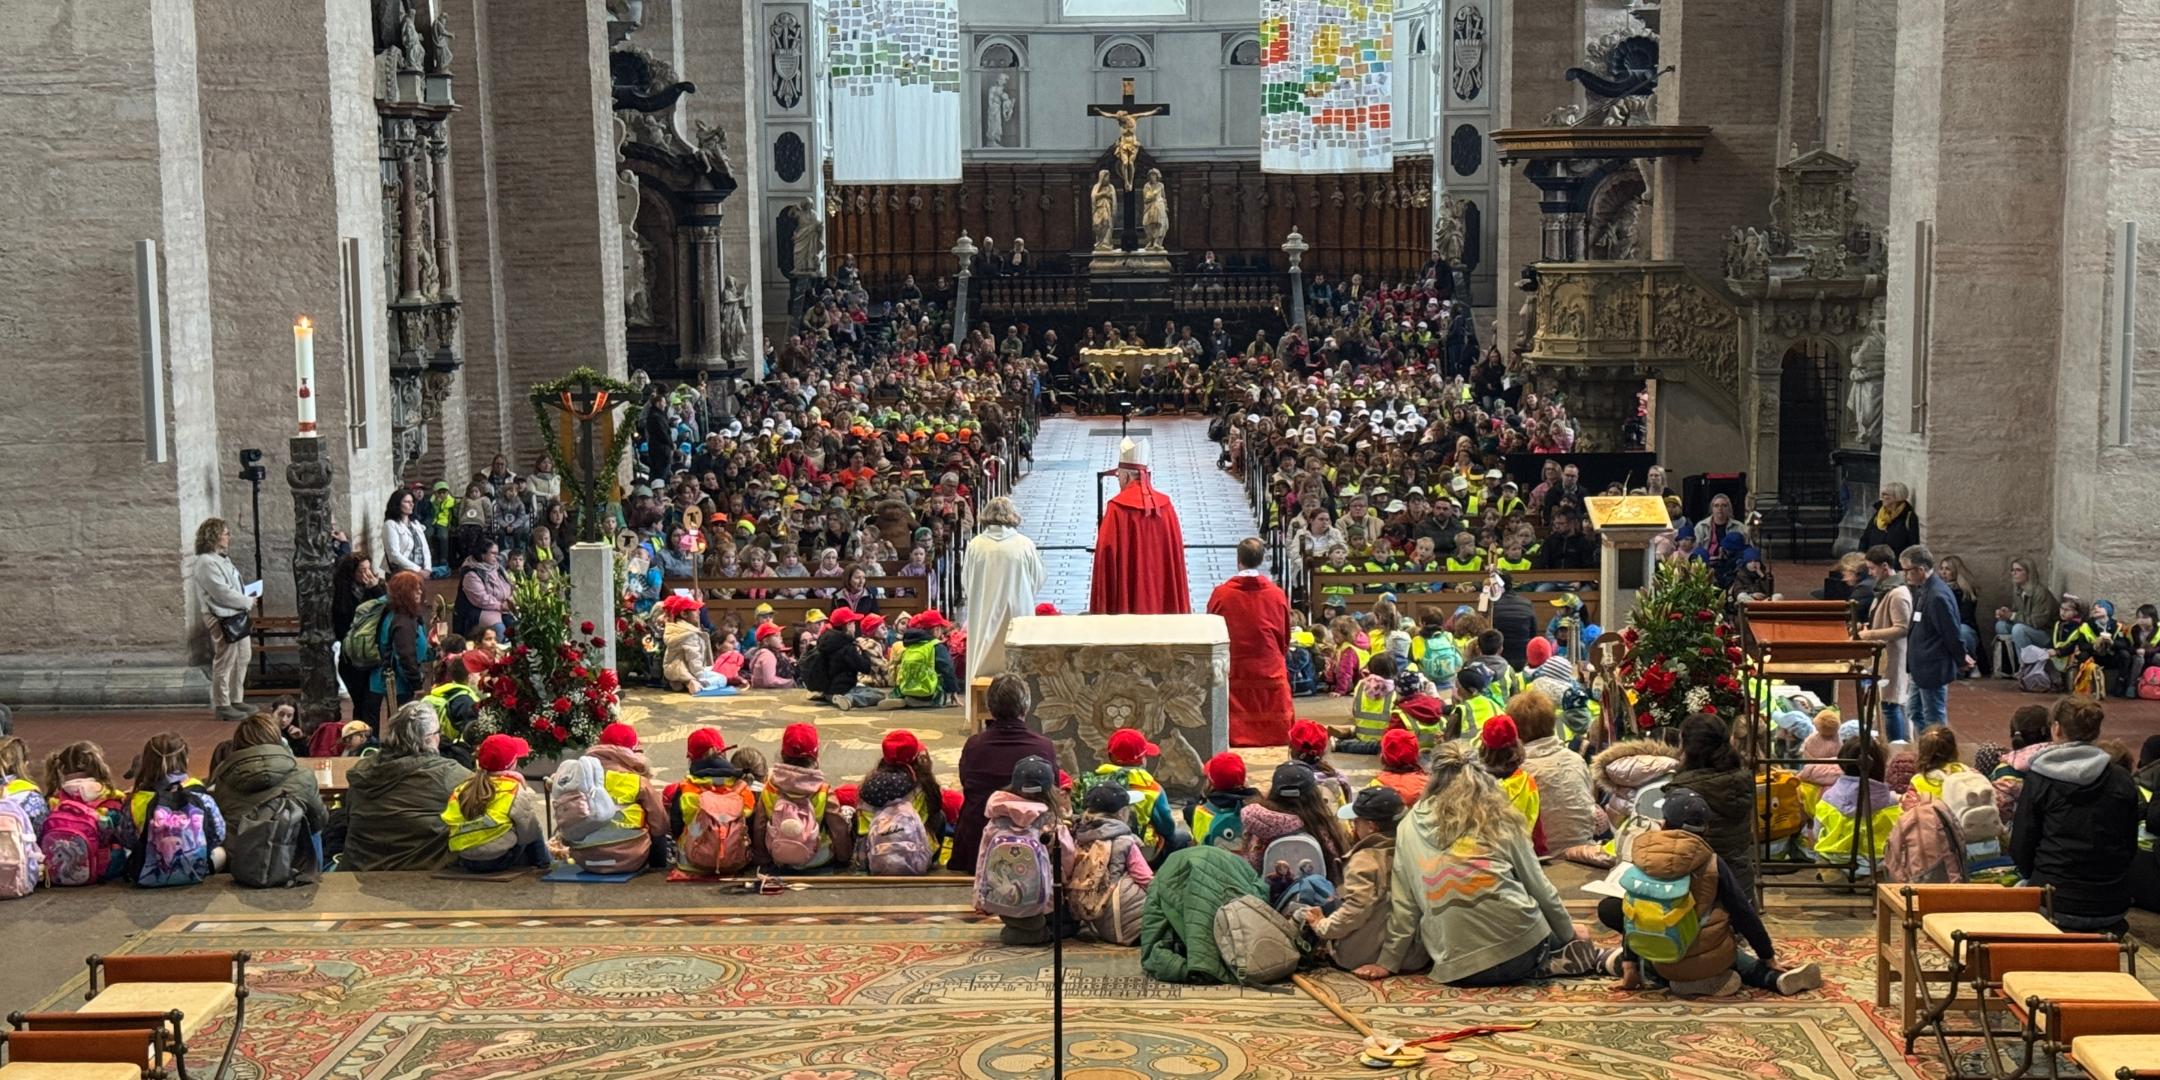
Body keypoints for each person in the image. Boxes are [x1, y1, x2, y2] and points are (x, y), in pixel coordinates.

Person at [1365, 743, 1605, 984]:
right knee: (1572, 930)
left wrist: (1388, 961)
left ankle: (1546, 962)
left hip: (1455, 967)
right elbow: (1538, 886)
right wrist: (1568, 934)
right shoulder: (1499, 816)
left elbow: (1405, 905)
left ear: (1432, 778)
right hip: (1522, 947)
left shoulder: (1408, 827)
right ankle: (1552, 960)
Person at [1616, 789, 1823, 995]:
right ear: (1705, 829)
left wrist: (1629, 964)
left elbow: (1631, 913)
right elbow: (1743, 912)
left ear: (1663, 824)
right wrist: (1768, 956)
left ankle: (1660, 977)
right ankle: (1774, 978)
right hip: (1709, 958)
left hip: (1660, 955)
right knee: (1729, 949)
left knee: (1632, 920)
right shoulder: (1712, 862)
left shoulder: (1642, 858)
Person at [2013, 696, 2140, 932]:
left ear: (2056, 729)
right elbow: (2130, 845)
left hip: (2054, 902)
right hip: (2112, 903)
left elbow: (2021, 844)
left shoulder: (2040, 778)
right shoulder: (2121, 778)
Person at [333, 702, 472, 870]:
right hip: (420, 874)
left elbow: (348, 816)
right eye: (438, 732)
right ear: (428, 738)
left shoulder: (362, 771)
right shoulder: (447, 774)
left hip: (360, 869)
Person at [1307, 786, 1423, 973]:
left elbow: (1356, 909)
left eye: (1356, 820)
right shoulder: (1418, 850)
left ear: (1371, 826)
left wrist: (1323, 927)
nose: (1354, 825)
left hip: (1365, 955)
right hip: (1415, 954)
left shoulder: (1365, 860)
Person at [951, 673, 1057, 874]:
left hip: (979, 845)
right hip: (1033, 849)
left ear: (990, 707)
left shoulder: (974, 745)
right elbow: (1051, 793)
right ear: (1026, 707)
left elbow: (967, 784)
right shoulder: (1043, 747)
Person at [209, 713, 328, 874]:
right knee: (313, 827)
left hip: (239, 864)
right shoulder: (303, 775)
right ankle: (316, 875)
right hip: (291, 864)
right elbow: (321, 820)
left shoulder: (222, 776)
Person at [960, 496, 1046, 720]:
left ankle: (979, 714)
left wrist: (980, 596)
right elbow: (1037, 578)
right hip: (1018, 612)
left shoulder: (976, 544)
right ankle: (1020, 710)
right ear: (1012, 517)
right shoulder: (1024, 544)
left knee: (983, 657)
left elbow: (966, 581)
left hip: (984, 610)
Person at [1208, 538, 1295, 747]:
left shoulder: (1222, 594)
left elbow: (1213, 631)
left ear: (1238, 560)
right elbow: (1284, 632)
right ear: (1263, 559)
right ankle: (1275, 735)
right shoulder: (1276, 593)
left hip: (1235, 665)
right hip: (1268, 663)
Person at [980, 756, 1075, 945]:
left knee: (1019, 916)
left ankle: (1018, 926)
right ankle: (1039, 933)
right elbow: (1067, 856)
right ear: (1051, 791)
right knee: (1071, 925)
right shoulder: (1050, 822)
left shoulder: (997, 819)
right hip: (1043, 900)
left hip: (1003, 897)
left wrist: (980, 897)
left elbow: (983, 858)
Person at [1090, 437, 1190, 615]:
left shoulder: (1116, 509)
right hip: (1162, 599)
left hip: (1127, 604)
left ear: (1126, 475)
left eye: (1118, 475)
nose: (1118, 479)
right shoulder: (1165, 507)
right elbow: (1175, 554)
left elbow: (1105, 555)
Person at [1667, 713, 1757, 896]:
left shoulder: (1684, 791)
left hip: (1697, 888)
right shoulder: (1741, 781)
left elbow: (1675, 850)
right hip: (1741, 883)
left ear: (1686, 746)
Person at [562, 723, 671, 873]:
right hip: (630, 858)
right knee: (658, 828)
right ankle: (658, 869)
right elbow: (660, 825)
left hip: (585, 858)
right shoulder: (637, 782)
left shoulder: (578, 777)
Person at [125, 732, 226, 884]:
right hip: (195, 869)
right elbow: (218, 834)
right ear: (185, 760)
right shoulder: (201, 798)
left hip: (147, 873)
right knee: (221, 853)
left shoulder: (135, 800)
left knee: (125, 852)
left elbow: (127, 839)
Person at [753, 724, 854, 872]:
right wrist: (844, 858)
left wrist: (763, 859)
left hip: (778, 856)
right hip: (818, 858)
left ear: (782, 753)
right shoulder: (823, 790)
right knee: (846, 813)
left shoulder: (770, 788)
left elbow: (759, 827)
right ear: (816, 754)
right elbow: (838, 830)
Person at [443, 734, 550, 873]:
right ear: (513, 764)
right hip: (498, 860)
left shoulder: (462, 788)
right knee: (531, 826)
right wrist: (523, 787)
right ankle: (544, 864)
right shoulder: (512, 789)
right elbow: (529, 832)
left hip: (466, 858)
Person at [38, 740, 133, 886]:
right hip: (106, 868)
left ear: (62, 769)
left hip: (56, 871)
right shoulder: (110, 795)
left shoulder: (55, 800)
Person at [1070, 781, 1153, 945]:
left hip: (1096, 922)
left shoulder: (1077, 836)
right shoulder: (1124, 841)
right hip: (1132, 926)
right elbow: (1146, 879)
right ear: (1122, 813)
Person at [1082, 728, 1184, 862]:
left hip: (1095, 849)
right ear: (1142, 760)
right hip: (1137, 851)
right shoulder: (1151, 788)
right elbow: (1167, 827)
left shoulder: (1089, 783)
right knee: (1181, 836)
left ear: (1110, 756)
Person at [1239, 761, 1347, 887]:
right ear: (1314, 794)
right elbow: (1337, 871)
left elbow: (1249, 866)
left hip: (1265, 900)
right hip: (1318, 900)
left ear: (1274, 791)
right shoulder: (1324, 827)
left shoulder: (1258, 822)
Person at [1812, 736, 1900, 877]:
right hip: (1874, 864)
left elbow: (1817, 832)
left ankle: (1834, 876)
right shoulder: (1892, 802)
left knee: (1823, 857)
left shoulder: (1829, 797)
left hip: (1836, 861)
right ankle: (1867, 878)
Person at [193, 517, 254, 721]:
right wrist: (246, 601)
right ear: (214, 535)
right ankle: (222, 703)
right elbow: (221, 592)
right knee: (226, 659)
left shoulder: (222, 558)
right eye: (226, 533)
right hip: (221, 615)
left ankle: (237, 698)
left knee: (243, 656)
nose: (229, 537)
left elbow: (232, 585)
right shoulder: (205, 562)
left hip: (235, 613)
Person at [1900, 544, 1963, 731]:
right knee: (1914, 711)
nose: (1905, 575)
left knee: (1933, 717)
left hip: (1932, 666)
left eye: (1907, 570)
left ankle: (1936, 754)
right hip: (1921, 667)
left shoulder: (1937, 595)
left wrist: (1960, 658)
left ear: (1920, 569)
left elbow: (1951, 632)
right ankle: (1923, 749)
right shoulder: (1924, 589)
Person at [1855, 545, 1912, 742]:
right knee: (1888, 703)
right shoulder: (1884, 589)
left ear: (1885, 566)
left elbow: (1902, 628)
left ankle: (1897, 748)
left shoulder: (1898, 593)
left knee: (1891, 704)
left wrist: (1869, 635)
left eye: (1872, 568)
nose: (1870, 573)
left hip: (1894, 656)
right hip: (1883, 656)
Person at [332, 551, 388, 730]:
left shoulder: (376, 589)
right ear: (352, 573)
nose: (367, 574)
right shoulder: (342, 594)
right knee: (360, 704)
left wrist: (375, 589)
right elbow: (344, 622)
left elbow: (387, 609)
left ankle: (371, 741)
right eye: (362, 570)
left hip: (373, 656)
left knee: (371, 704)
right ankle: (361, 740)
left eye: (369, 568)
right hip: (353, 657)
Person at [373, 570, 432, 707]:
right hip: (400, 687)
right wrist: (417, 685)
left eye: (420, 589)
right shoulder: (403, 621)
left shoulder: (396, 613)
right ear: (404, 593)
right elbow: (405, 656)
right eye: (415, 590)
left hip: (397, 684)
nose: (419, 593)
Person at [881, 608, 959, 709]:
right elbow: (948, 669)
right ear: (936, 629)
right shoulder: (936, 646)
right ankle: (926, 702)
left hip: (906, 688)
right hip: (928, 691)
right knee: (944, 696)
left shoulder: (909, 645)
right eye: (941, 628)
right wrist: (953, 691)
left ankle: (903, 697)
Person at [805, 607, 881, 708]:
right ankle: (849, 698)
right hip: (843, 688)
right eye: (853, 623)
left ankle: (829, 697)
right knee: (878, 695)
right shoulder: (847, 646)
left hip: (826, 687)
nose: (854, 626)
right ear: (848, 625)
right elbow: (865, 668)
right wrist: (863, 650)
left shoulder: (824, 639)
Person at [1993, 557, 2059, 662]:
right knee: (2001, 625)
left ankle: (2026, 667)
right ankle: (2011, 666)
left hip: (2046, 634)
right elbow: (2017, 612)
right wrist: (2006, 614)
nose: (2014, 573)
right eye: (2012, 570)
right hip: (2029, 627)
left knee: (2019, 629)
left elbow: (2038, 622)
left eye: (2018, 570)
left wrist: (2012, 616)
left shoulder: (2040, 593)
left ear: (2029, 573)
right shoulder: (2018, 590)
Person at [1187, 752, 1259, 845]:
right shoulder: (1260, 808)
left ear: (1211, 781)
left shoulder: (1198, 811)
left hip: (1210, 857)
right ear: (1244, 779)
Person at [454, 540, 514, 638]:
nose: (497, 557)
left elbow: (509, 587)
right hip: (479, 611)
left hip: (500, 608)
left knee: (518, 625)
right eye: (493, 553)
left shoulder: (497, 568)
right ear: (482, 554)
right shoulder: (471, 573)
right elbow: (481, 599)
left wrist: (510, 600)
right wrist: (502, 606)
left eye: (497, 553)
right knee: (500, 630)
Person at [1858, 482, 1921, 557]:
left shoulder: (1909, 517)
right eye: (1882, 494)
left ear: (1897, 497)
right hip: (1873, 562)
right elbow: (1865, 538)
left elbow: (1912, 547)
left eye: (1886, 495)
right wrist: (1862, 556)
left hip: (1895, 565)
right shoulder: (1878, 513)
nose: (1882, 497)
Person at [384, 488, 431, 577]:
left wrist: (427, 568)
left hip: (420, 572)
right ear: (397, 504)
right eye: (407, 502)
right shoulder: (390, 525)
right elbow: (394, 554)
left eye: (412, 501)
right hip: (401, 573)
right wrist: (418, 570)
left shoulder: (415, 523)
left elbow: (425, 548)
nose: (411, 504)